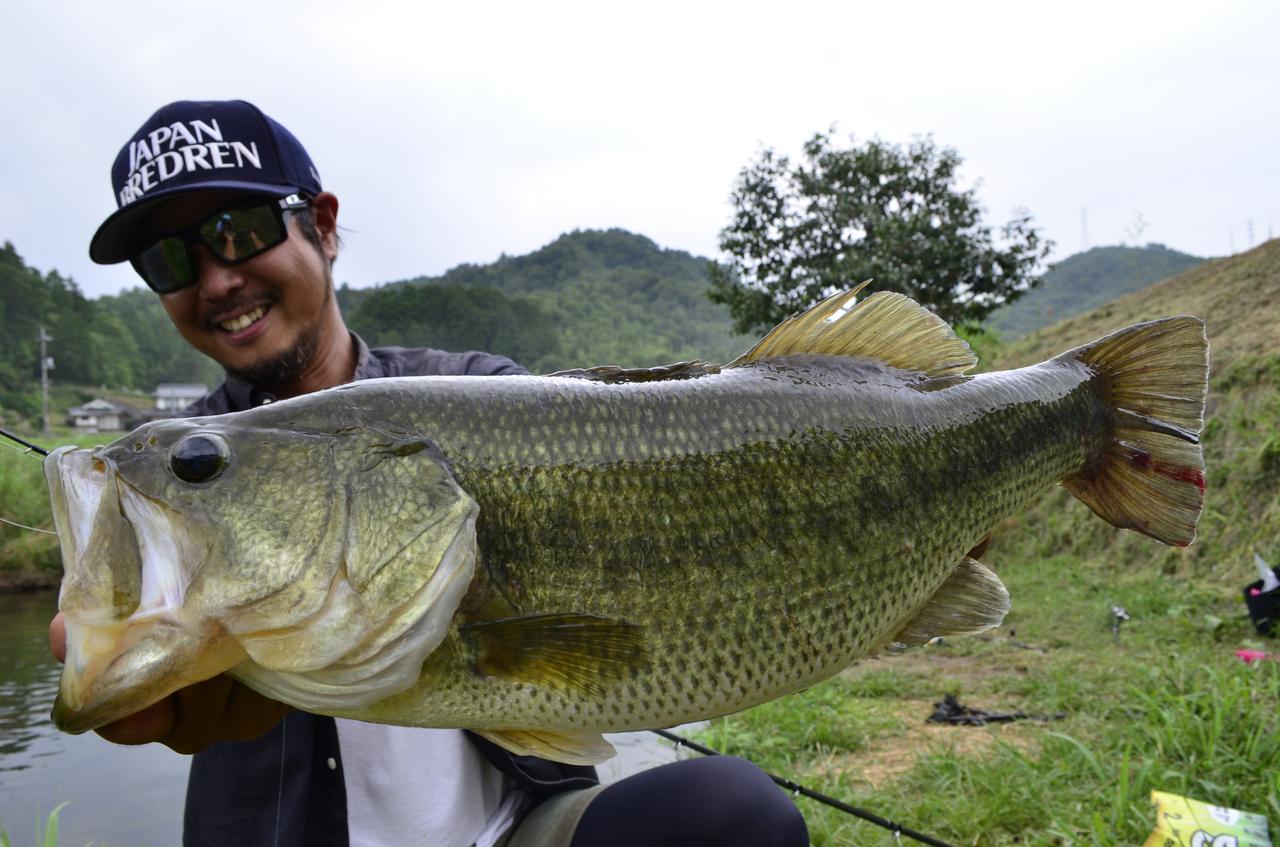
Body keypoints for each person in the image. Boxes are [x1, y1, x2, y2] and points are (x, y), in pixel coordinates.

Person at [51, 99, 809, 847]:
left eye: (239, 232)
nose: (216, 281)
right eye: (171, 260)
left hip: (518, 827)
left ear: (320, 225)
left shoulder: (485, 396)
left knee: (732, 812)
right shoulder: (158, 498)